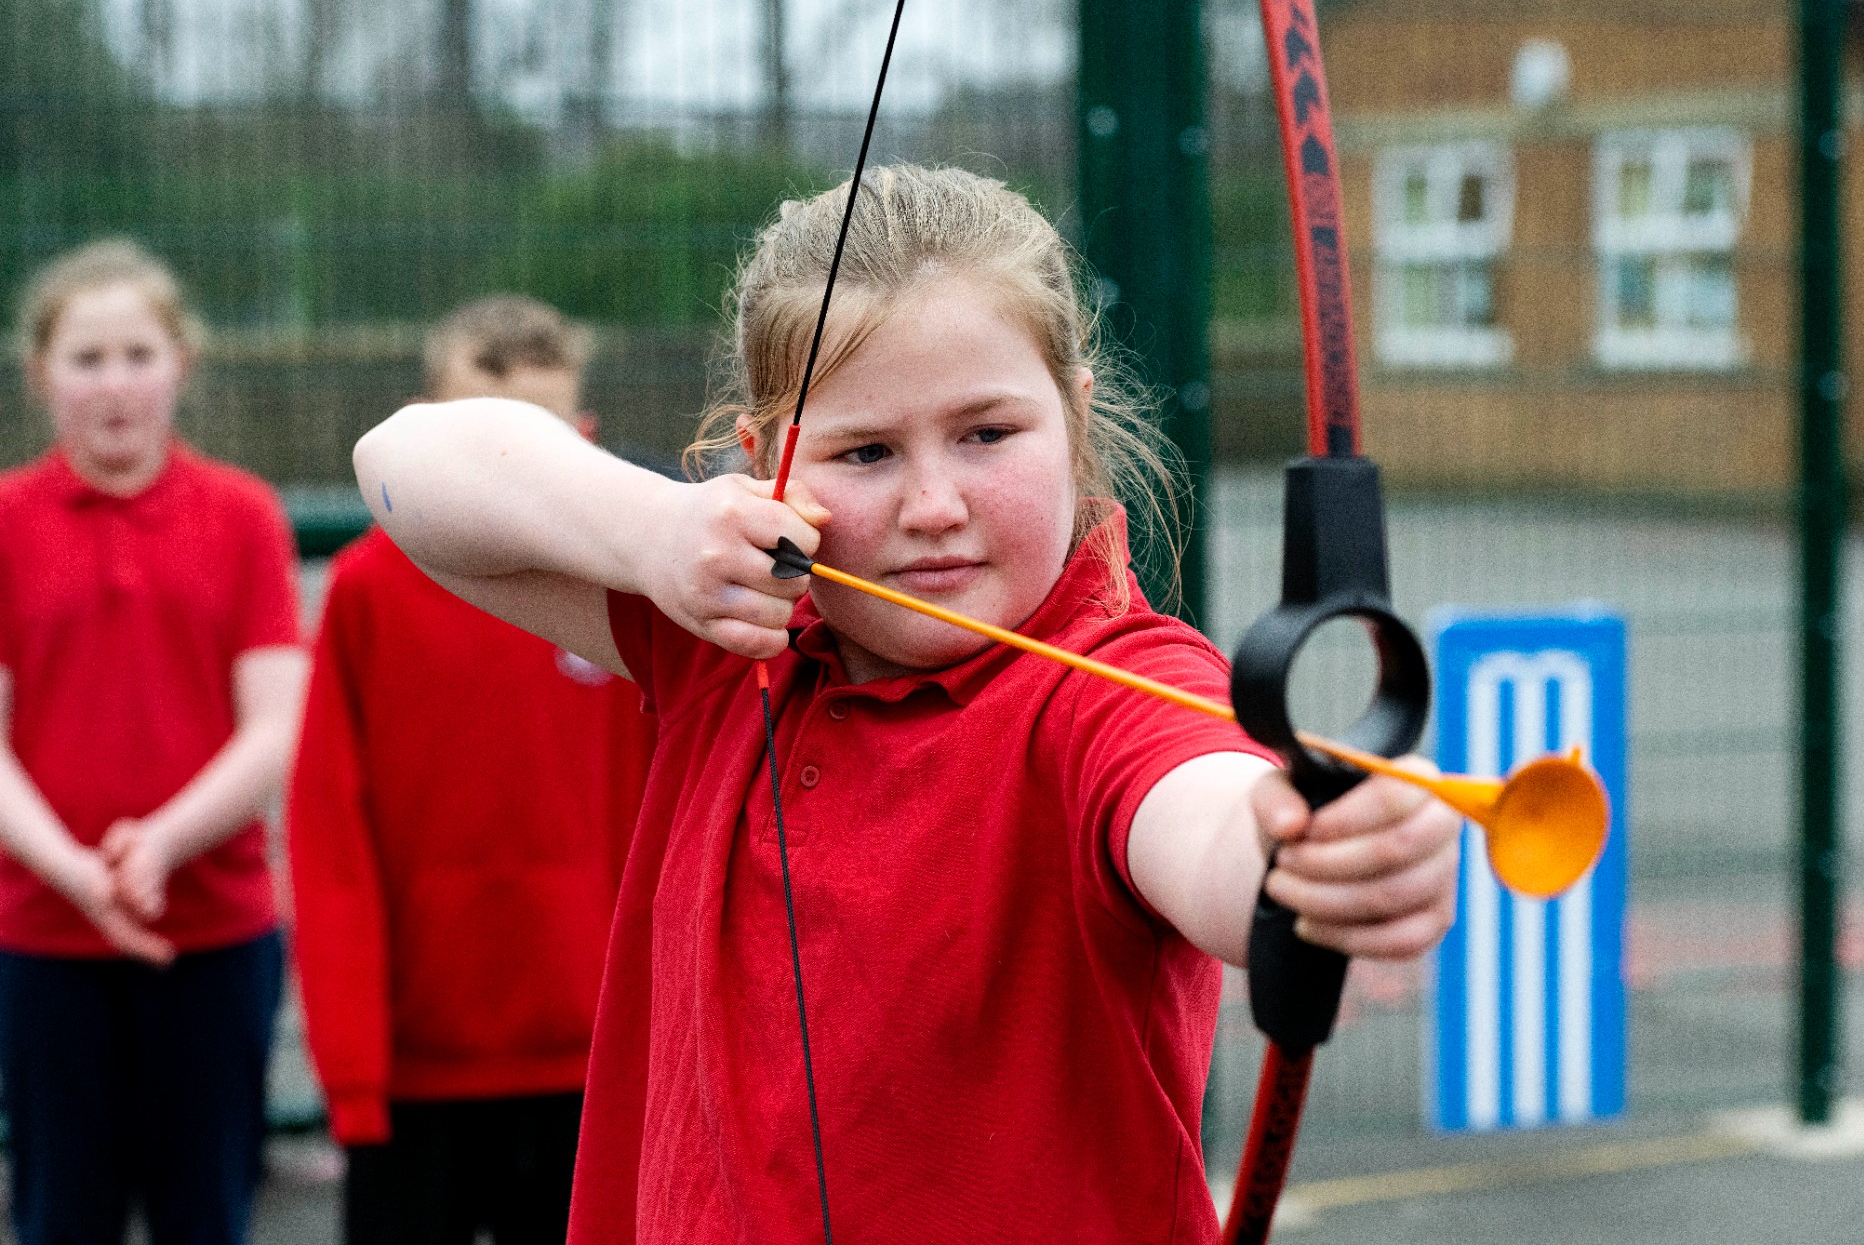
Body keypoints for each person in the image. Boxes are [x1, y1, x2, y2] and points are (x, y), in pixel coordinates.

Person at [351, 166, 1463, 1244]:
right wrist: (653, 531)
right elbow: (401, 461)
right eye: (865, 450)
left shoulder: (1110, 689)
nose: (934, 505)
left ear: (1074, 421)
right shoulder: (729, 637)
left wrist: (1307, 860)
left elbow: (1207, 815)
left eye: (987, 433)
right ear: (764, 466)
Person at [287, 296, 650, 1245]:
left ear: (585, 437)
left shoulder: (630, 597)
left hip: (598, 1065)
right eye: (483, 441)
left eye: (539, 440)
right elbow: (329, 839)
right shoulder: (367, 591)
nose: (510, 473)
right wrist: (355, 1075)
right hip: (417, 1076)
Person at [0, 240, 307, 1245]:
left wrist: (163, 842)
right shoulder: (7, 521)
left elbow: (273, 721)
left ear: (181, 361)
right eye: (87, 358)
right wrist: (77, 870)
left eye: (139, 352)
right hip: (45, 937)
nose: (115, 382)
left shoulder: (243, 515)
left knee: (206, 1211)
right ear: (42, 371)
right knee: (61, 1212)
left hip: (212, 931)